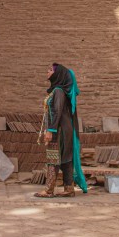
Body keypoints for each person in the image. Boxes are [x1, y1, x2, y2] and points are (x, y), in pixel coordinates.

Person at [35, 62, 88, 197]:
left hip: (59, 130)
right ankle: (69, 189)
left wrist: (50, 130)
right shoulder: (60, 91)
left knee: (53, 157)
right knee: (66, 158)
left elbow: (57, 111)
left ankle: (49, 190)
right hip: (66, 129)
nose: (47, 72)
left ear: (57, 74)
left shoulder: (58, 91)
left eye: (50, 70)